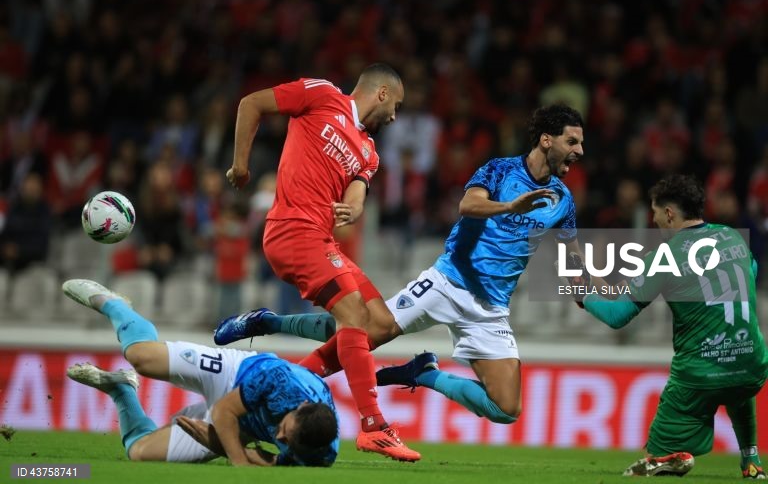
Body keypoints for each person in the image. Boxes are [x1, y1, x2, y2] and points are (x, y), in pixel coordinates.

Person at [217, 104, 592, 428]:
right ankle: (270, 324)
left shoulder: (562, 199)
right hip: (447, 282)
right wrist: (511, 206)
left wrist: (583, 285)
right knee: (362, 330)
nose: (579, 150)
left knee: (507, 408)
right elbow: (469, 205)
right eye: (572, 141)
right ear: (546, 140)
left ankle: (424, 373)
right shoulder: (500, 171)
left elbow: (571, 252)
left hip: (490, 309)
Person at [225, 63, 419, 461]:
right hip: (291, 230)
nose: (394, 116)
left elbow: (358, 192)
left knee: (380, 324)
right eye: (395, 105)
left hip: (321, 239)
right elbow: (251, 104)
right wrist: (241, 165)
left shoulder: (369, 152)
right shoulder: (322, 94)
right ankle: (373, 426)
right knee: (352, 314)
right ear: (381, 94)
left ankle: (290, 383)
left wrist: (352, 209)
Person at [579, 175, 768, 479]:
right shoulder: (733, 237)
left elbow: (617, 316)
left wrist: (582, 297)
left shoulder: (664, 256)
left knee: (650, 464)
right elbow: (752, 271)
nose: (653, 222)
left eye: (654, 214)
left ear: (669, 213)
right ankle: (752, 461)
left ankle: (668, 456)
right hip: (754, 365)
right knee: (737, 381)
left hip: (699, 376)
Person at [62, 279, 339, 467]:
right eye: (285, 431)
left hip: (241, 428)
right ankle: (115, 305)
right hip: (234, 375)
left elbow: (269, 459)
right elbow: (224, 412)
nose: (279, 438)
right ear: (301, 406)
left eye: (287, 441)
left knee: (140, 452)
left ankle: (122, 390)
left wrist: (220, 444)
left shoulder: (318, 449)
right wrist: (239, 463)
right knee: (142, 357)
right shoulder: (279, 382)